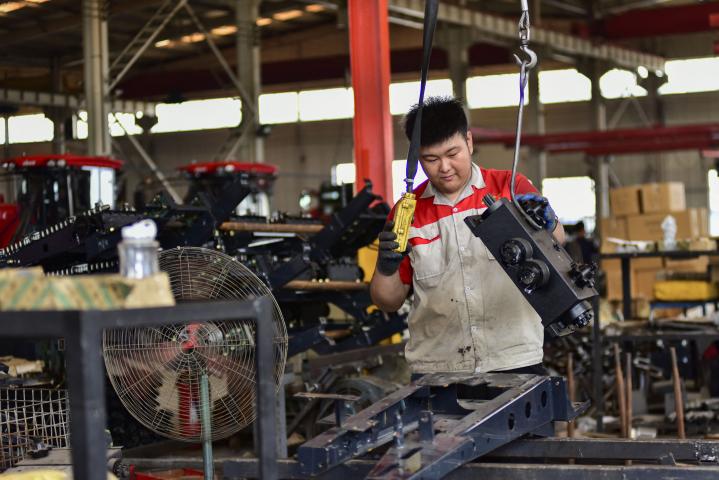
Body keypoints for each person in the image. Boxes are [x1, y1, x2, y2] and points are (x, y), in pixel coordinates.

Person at [369, 96, 565, 378]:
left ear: (469, 142)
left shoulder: (510, 188)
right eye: (431, 159)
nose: (445, 167)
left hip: (513, 359)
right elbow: (388, 302)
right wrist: (385, 269)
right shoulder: (406, 212)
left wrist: (550, 222)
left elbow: (558, 242)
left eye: (453, 154)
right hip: (437, 369)